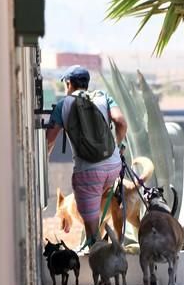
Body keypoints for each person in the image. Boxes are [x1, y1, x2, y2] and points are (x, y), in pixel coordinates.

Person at [46, 65, 128, 245]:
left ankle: (97, 250)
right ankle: (111, 247)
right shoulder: (103, 97)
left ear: (69, 84)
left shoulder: (63, 105)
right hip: (113, 166)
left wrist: (44, 161)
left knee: (92, 231)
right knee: (104, 201)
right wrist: (118, 146)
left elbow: (49, 140)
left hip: (88, 173)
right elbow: (121, 122)